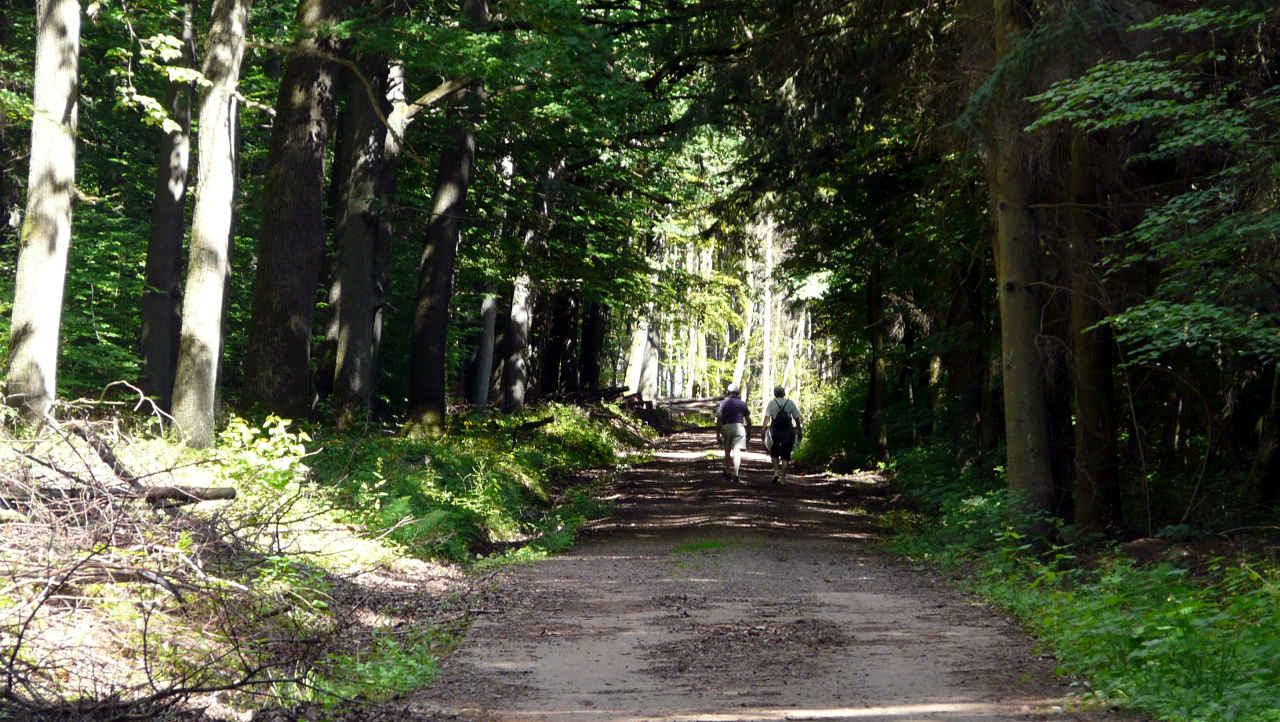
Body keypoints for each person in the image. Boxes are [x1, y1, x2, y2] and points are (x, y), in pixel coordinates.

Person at [762, 385, 802, 484]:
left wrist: (763, 430)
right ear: (784, 393)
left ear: (775, 393)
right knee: (786, 454)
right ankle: (783, 476)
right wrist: (799, 431)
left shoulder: (772, 403)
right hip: (788, 431)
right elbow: (797, 418)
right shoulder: (790, 403)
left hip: (775, 431)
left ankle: (776, 472)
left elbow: (767, 418)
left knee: (774, 451)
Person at [715, 383, 752, 483]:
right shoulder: (742, 404)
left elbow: (719, 419)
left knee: (727, 451)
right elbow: (748, 420)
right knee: (737, 451)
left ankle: (727, 471)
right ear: (737, 393)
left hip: (726, 427)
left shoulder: (724, 403)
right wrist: (749, 432)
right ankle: (736, 474)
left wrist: (718, 434)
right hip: (739, 427)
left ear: (728, 392)